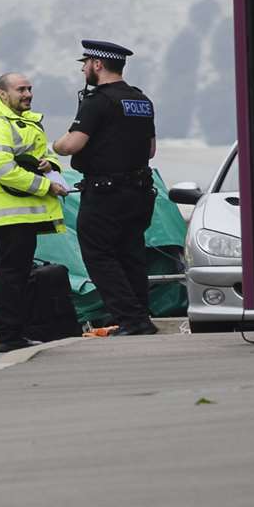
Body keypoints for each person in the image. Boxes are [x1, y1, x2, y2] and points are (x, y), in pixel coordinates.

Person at [53, 39, 159, 337]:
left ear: (98, 64)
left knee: (99, 255)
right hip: (139, 191)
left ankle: (131, 319)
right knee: (131, 254)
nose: (84, 68)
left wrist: (55, 145)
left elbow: (72, 144)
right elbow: (150, 150)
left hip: (106, 193)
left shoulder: (98, 100)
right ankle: (141, 315)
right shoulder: (141, 99)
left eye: (85, 63)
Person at [0, 73, 71, 353]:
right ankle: (6, 335)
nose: (27, 94)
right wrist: (46, 185)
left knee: (17, 273)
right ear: (2, 94)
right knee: (11, 274)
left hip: (24, 214)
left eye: (29, 89)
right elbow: (2, 169)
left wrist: (48, 164)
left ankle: (13, 333)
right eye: (20, 90)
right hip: (8, 214)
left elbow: (46, 155)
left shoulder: (29, 124)